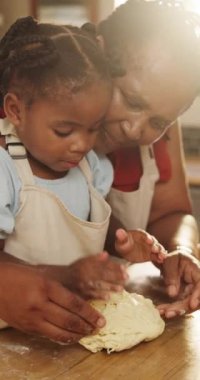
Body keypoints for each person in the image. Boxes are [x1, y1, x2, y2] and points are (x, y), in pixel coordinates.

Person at [0, 16, 166, 342]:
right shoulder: (6, 170)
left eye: (93, 128)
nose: (82, 144)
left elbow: (91, 216)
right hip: (12, 337)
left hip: (67, 329)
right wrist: (69, 275)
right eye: (64, 131)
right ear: (15, 111)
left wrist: (122, 238)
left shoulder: (91, 166)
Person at [84, 0, 200, 317]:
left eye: (159, 122)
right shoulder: (19, 120)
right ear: (98, 52)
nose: (135, 129)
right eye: (132, 100)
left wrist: (180, 251)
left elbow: (172, 213)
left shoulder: (156, 122)